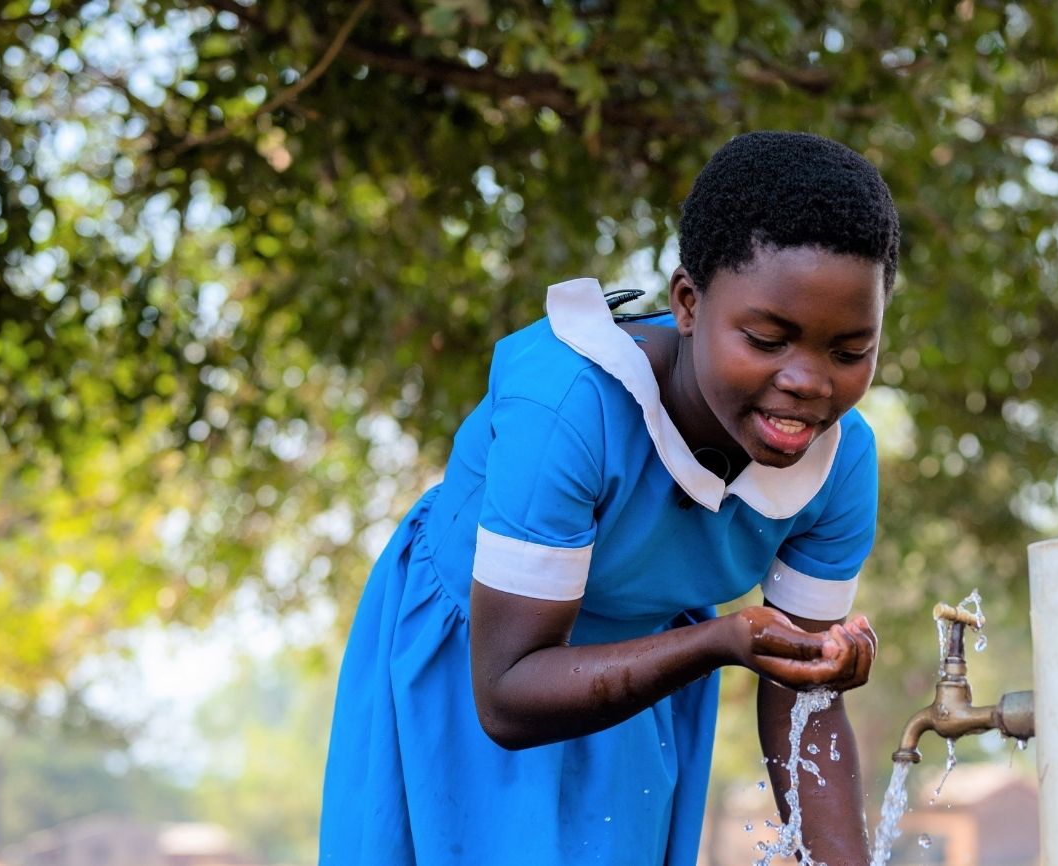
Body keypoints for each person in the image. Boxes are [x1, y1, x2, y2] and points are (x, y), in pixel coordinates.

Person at [318, 131, 900, 865]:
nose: (811, 382)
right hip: (476, 670)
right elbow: (506, 695)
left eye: (850, 353)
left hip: (638, 683)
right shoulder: (569, 407)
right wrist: (721, 641)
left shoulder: (841, 463)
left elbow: (803, 703)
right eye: (766, 338)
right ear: (687, 302)